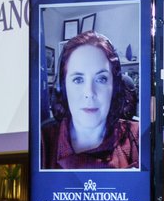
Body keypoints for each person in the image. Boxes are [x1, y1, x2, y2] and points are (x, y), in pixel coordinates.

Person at [40, 31, 139, 169]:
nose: (90, 93)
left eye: (101, 79)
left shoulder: (138, 137)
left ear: (114, 86)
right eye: (78, 79)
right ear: (63, 87)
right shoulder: (42, 142)